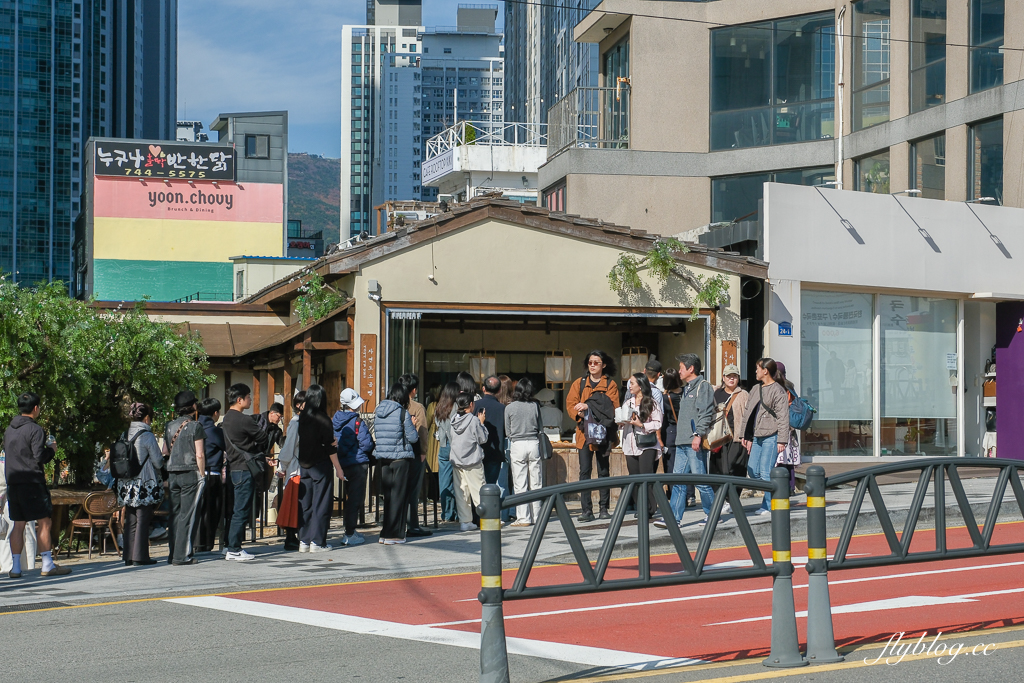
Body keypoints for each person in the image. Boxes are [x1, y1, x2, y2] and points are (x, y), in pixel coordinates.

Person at [2, 392, 71, 578]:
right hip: (32, 481)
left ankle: (16, 567)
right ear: (35, 408)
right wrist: (52, 450)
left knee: (18, 524)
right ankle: (47, 564)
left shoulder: (9, 430)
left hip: (14, 482)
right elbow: (39, 456)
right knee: (44, 522)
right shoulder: (35, 430)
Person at [565, 350, 620, 522]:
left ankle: (604, 508)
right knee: (584, 471)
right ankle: (586, 510)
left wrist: (588, 408)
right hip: (583, 434)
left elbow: (612, 408)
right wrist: (580, 414)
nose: (593, 365)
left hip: (603, 433)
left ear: (604, 365)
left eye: (596, 362)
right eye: (590, 362)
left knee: (604, 471)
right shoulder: (579, 383)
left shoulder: (610, 385)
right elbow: (571, 404)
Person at [221, 383, 270, 561]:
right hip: (245, 467)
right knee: (241, 510)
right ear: (239, 400)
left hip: (234, 467)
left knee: (236, 508)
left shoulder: (226, 418)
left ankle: (229, 545)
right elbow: (263, 438)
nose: (251, 400)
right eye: (248, 397)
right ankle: (234, 548)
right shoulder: (244, 420)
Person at [668, 354, 716, 527]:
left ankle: (712, 513)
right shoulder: (686, 388)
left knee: (701, 480)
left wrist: (698, 435)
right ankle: (674, 518)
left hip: (693, 441)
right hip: (682, 441)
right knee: (678, 480)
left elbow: (705, 413)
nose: (679, 371)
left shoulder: (703, 387)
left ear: (691, 369)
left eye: (681, 367)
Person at [297, 385, 344, 552]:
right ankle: (317, 542)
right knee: (321, 503)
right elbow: (330, 447)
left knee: (306, 504)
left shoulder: (303, 417)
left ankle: (304, 540)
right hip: (321, 465)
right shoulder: (324, 419)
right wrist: (338, 468)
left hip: (304, 465)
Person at [117, 402, 165, 566]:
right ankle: (140, 556)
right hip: (144, 483)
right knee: (143, 519)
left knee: (130, 519)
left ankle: (128, 556)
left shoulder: (124, 434)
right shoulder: (146, 435)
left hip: (125, 484)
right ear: (146, 418)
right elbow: (158, 461)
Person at [741, 358, 791, 516]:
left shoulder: (778, 390)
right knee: (752, 470)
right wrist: (744, 435)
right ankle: (773, 499)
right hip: (756, 436)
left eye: (757, 368)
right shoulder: (756, 389)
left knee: (765, 472)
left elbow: (783, 417)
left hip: (772, 436)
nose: (755, 371)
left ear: (765, 371)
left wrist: (782, 440)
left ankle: (769, 506)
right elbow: (748, 412)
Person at [163, 390, 206, 566]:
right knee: (187, 515)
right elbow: (200, 454)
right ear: (193, 406)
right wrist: (202, 475)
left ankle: (172, 553)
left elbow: (164, 452)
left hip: (173, 473)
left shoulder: (168, 426)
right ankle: (182, 556)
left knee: (174, 514)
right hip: (190, 472)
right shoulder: (196, 426)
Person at [374, 382, 419, 544]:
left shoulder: (378, 412)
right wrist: (413, 426)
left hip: (384, 460)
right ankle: (396, 535)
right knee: (399, 498)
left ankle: (385, 533)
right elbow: (413, 438)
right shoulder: (402, 413)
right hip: (401, 459)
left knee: (388, 497)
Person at [334, 388, 374, 546]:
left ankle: (349, 530)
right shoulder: (357, 421)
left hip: (343, 464)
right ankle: (350, 533)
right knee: (355, 500)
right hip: (358, 463)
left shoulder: (335, 421)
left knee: (348, 498)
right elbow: (367, 444)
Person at [620, 373, 663, 518]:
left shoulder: (651, 402)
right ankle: (641, 507)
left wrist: (641, 424)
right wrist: (621, 422)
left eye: (632, 383)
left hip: (647, 444)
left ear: (640, 385)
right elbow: (622, 423)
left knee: (646, 476)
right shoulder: (628, 403)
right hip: (630, 443)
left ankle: (650, 508)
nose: (629, 386)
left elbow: (658, 423)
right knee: (634, 478)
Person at [504, 377, 544, 526]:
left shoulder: (509, 407)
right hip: (533, 443)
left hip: (517, 444)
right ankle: (537, 516)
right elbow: (541, 427)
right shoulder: (535, 405)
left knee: (520, 483)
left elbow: (507, 431)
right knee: (536, 482)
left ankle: (524, 518)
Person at [450, 392, 488, 532]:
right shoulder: (473, 421)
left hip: (457, 461)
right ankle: (487, 520)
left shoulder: (453, 419)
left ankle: (465, 522)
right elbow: (482, 438)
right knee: (479, 492)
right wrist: (482, 423)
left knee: (462, 493)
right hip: (472, 461)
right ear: (471, 404)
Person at [401, 374, 433, 538]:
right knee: (413, 490)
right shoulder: (417, 407)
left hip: (394, 453)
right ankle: (412, 524)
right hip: (413, 453)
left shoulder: (390, 405)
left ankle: (397, 524)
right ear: (414, 390)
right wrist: (423, 452)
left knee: (398, 491)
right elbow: (422, 431)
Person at [474, 376, 509, 521]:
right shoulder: (503, 408)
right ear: (499, 390)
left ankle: (477, 516)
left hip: (476, 451)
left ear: (483, 389)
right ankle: (490, 515)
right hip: (495, 452)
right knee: (491, 485)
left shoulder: (475, 406)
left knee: (477, 486)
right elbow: (507, 431)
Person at [276, 391, 305, 551]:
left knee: (294, 504)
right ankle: (292, 537)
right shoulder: (296, 422)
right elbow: (289, 448)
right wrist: (283, 466)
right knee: (295, 505)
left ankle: (292, 537)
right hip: (296, 468)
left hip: (296, 468)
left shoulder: (298, 421)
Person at [196, 397, 226, 553]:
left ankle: (196, 543)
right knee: (211, 511)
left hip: (194, 474)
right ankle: (206, 544)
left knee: (198, 511)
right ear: (215, 413)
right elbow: (225, 446)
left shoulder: (194, 427)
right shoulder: (214, 431)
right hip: (211, 473)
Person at [712, 364, 749, 481]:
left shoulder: (743, 395)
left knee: (734, 468)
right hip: (719, 436)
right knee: (718, 469)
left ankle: (731, 496)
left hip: (736, 437)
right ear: (723, 378)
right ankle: (720, 496)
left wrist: (748, 437)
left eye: (734, 376)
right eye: (729, 376)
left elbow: (748, 417)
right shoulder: (716, 393)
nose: (731, 379)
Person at [432, 382, 460, 522]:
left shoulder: (439, 407)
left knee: (444, 481)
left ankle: (446, 513)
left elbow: (438, 425)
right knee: (459, 481)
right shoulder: (456, 407)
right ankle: (456, 512)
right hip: (454, 446)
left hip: (443, 446)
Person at [775, 362, 801, 493]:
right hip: (791, 429)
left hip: (782, 428)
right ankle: (790, 486)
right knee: (788, 460)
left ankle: (783, 487)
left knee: (780, 459)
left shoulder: (779, 387)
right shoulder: (790, 386)